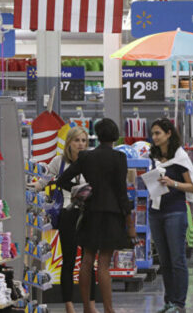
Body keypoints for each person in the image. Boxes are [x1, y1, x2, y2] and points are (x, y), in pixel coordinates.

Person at [57, 119, 135, 313]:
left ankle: (86, 307)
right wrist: (129, 220)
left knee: (87, 258)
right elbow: (121, 192)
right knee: (104, 264)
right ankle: (109, 309)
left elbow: (62, 180)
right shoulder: (119, 158)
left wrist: (80, 193)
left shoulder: (85, 157)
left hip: (90, 211)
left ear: (97, 136)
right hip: (112, 214)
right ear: (115, 136)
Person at [32, 126, 96, 313]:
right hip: (67, 214)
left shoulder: (91, 161)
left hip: (88, 214)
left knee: (88, 260)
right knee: (69, 260)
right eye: (77, 140)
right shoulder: (58, 161)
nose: (81, 144)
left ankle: (90, 304)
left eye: (84, 140)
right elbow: (43, 181)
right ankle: (69, 305)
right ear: (69, 143)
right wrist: (29, 188)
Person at [148, 118, 193, 313]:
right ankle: (169, 301)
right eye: (152, 134)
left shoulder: (179, 157)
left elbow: (192, 186)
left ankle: (179, 303)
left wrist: (173, 183)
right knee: (164, 260)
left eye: (157, 133)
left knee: (177, 258)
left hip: (175, 212)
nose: (154, 137)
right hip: (155, 210)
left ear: (168, 133)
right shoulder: (151, 156)